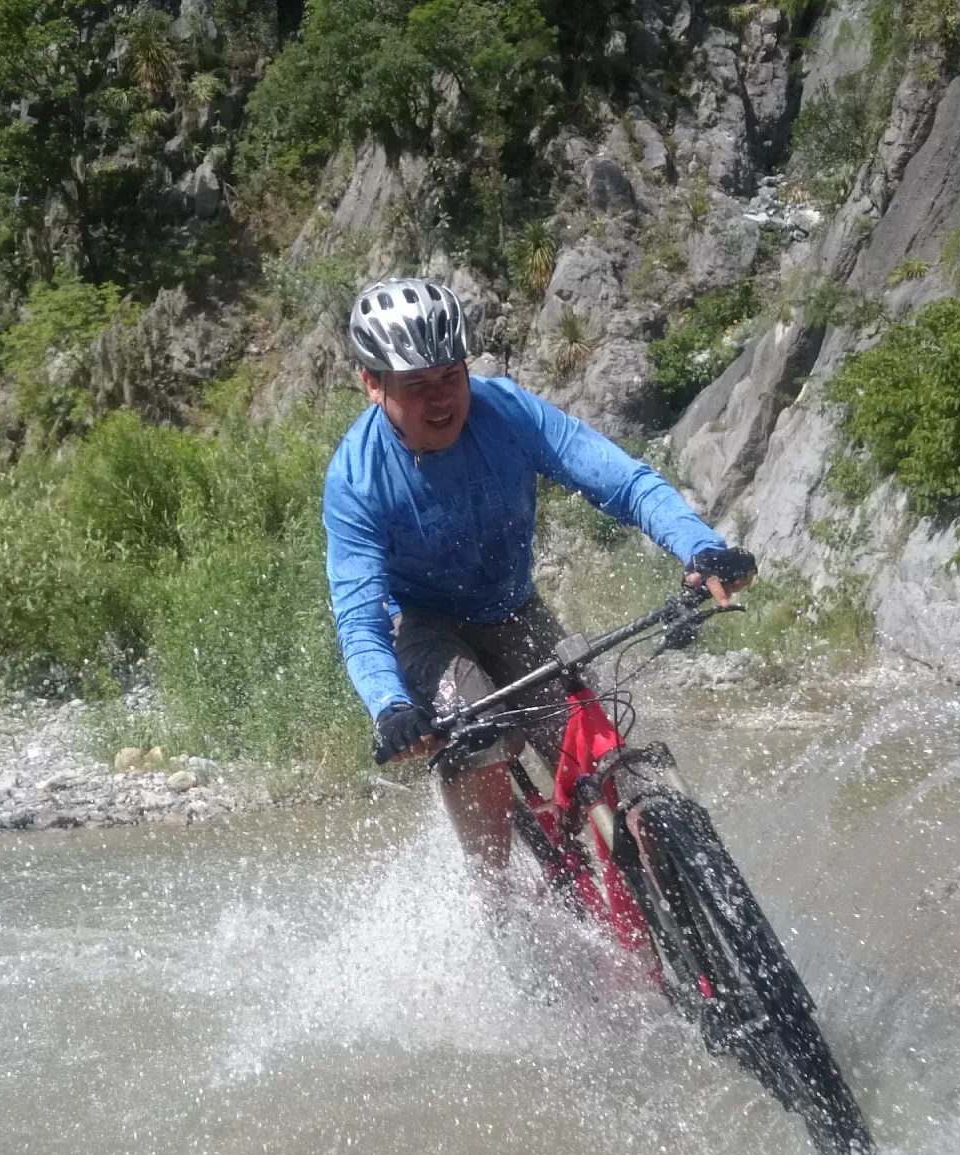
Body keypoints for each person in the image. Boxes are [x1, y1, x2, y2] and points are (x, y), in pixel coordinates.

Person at [322, 276, 758, 871]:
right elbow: (359, 616)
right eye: (417, 385)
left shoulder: (507, 412)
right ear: (372, 383)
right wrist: (389, 706)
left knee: (617, 773)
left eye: (452, 376)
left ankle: (665, 886)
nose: (443, 398)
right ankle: (502, 907)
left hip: (513, 608)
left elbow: (622, 481)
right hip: (423, 625)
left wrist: (700, 549)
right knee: (474, 735)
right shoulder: (356, 478)